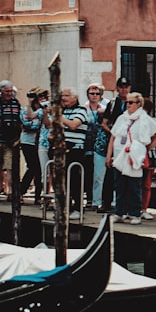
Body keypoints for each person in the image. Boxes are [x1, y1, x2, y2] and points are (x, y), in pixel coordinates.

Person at [106, 91, 156, 224]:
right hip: (120, 154)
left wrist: (148, 148)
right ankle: (120, 212)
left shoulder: (145, 119)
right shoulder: (122, 118)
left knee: (134, 186)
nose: (128, 105)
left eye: (131, 102)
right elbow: (113, 136)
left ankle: (135, 213)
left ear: (139, 104)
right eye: (127, 102)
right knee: (119, 185)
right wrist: (109, 155)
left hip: (134, 155)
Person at [101, 77, 132, 211]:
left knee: (129, 173)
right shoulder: (113, 103)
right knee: (110, 173)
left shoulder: (134, 102)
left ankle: (125, 204)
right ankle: (106, 202)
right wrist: (115, 132)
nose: (123, 89)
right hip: (115, 141)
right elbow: (104, 123)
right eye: (121, 87)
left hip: (130, 142)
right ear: (117, 88)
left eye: (126, 87)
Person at [60, 87, 92, 218]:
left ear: (75, 97)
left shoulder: (82, 110)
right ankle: (65, 208)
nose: (63, 98)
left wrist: (59, 116)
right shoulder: (63, 111)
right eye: (62, 95)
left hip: (76, 149)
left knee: (75, 180)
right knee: (62, 181)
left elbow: (73, 125)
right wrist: (46, 115)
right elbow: (49, 125)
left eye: (66, 95)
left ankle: (78, 209)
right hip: (62, 149)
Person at [18, 87, 46, 204]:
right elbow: (28, 123)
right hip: (28, 142)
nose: (41, 99)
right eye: (39, 97)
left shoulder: (44, 110)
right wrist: (29, 104)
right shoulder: (25, 109)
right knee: (33, 168)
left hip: (39, 142)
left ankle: (37, 196)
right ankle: (20, 191)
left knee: (39, 169)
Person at [84, 83, 108, 211]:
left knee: (99, 174)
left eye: (97, 93)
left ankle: (98, 199)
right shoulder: (83, 108)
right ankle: (89, 198)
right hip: (86, 143)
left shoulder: (104, 108)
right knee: (88, 171)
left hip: (99, 143)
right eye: (91, 93)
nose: (94, 95)